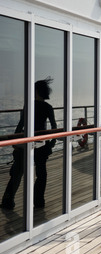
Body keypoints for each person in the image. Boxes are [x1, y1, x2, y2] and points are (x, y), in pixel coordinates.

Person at [1, 77, 57, 210]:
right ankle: (38, 202)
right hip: (42, 143)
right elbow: (54, 127)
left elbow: (21, 124)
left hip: (27, 141)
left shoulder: (29, 105)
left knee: (17, 172)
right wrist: (51, 144)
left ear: (36, 91)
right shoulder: (48, 107)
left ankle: (8, 201)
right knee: (41, 174)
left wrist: (16, 140)